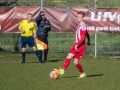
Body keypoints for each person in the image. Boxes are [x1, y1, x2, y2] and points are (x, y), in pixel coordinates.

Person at [54, 11, 90, 78]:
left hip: (80, 45)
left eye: (79, 17)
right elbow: (87, 33)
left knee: (75, 62)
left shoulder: (83, 26)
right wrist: (89, 40)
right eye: (77, 17)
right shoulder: (80, 25)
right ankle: (62, 70)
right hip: (77, 44)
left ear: (83, 18)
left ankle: (83, 73)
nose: (77, 18)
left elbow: (82, 38)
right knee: (69, 56)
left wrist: (77, 45)